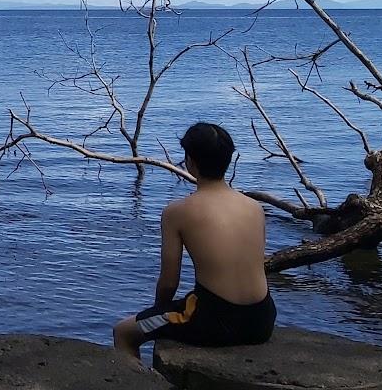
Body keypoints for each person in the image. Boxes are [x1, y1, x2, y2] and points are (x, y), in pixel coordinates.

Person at [113, 122, 276, 359]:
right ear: (228, 160)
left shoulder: (177, 212)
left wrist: (159, 310)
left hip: (216, 323)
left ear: (190, 161)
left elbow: (169, 282)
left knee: (123, 332)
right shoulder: (254, 208)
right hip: (263, 319)